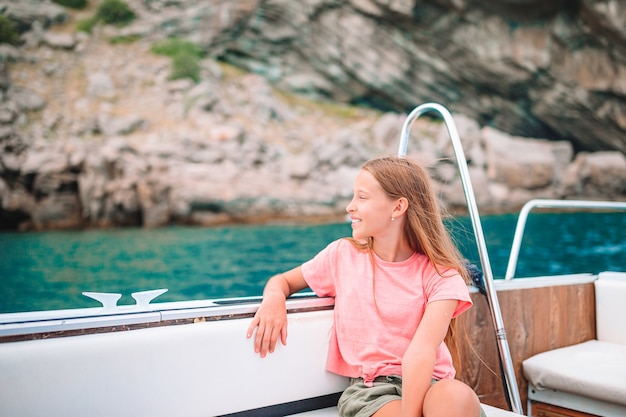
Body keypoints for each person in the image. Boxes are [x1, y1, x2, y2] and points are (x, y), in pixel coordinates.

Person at [246, 156, 484, 417]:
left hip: (430, 382)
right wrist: (272, 301)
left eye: (362, 197)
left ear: (397, 208)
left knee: (455, 396)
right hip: (372, 391)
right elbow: (283, 281)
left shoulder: (441, 275)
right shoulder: (341, 256)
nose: (350, 207)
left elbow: (421, 352)